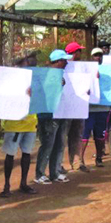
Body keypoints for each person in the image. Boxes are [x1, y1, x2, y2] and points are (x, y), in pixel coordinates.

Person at [1, 54, 39, 197]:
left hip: (30, 121)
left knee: (27, 153)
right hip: (15, 123)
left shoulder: (35, 81)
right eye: (25, 64)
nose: (28, 67)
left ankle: (23, 183)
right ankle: (6, 185)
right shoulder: (10, 81)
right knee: (10, 154)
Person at [35, 50, 73, 183]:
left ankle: (54, 172)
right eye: (64, 60)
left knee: (59, 144)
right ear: (58, 61)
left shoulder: (62, 75)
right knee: (47, 144)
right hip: (48, 116)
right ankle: (40, 174)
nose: (67, 63)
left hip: (61, 113)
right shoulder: (46, 74)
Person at [82, 48, 110, 167]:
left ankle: (99, 157)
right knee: (84, 135)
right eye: (95, 55)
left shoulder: (109, 71)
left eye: (100, 55)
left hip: (103, 108)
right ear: (91, 57)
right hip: (88, 108)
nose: (98, 58)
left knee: (100, 135)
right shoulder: (84, 70)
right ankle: (80, 160)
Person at [64, 42, 88, 172]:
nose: (81, 53)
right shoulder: (64, 66)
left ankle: (76, 162)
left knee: (77, 134)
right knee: (63, 136)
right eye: (79, 51)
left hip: (79, 105)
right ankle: (58, 164)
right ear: (74, 53)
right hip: (66, 107)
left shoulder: (83, 66)